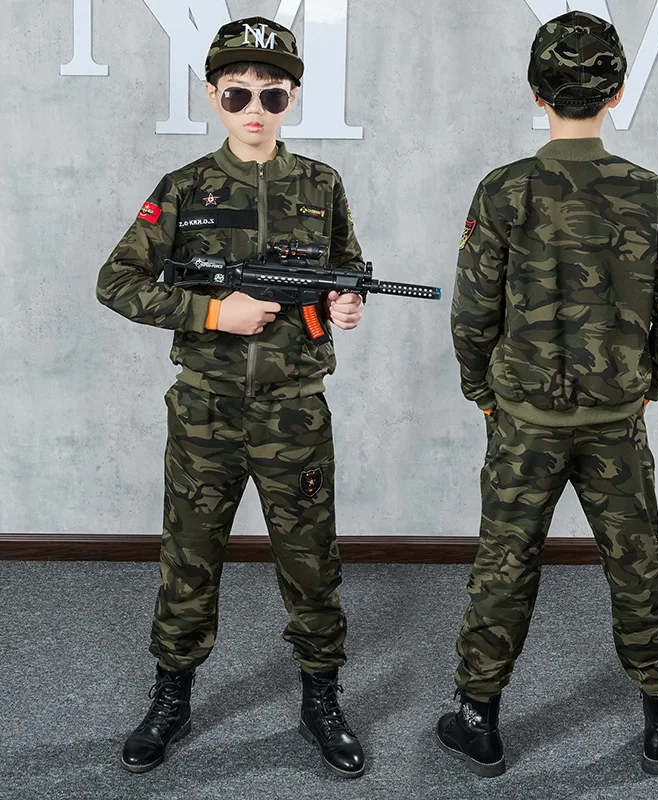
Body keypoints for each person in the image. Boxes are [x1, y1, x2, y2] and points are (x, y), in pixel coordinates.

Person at [96, 17, 366, 779]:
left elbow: (342, 272)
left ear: (292, 99)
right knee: (189, 560)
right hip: (206, 412)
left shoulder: (322, 185)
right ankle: (171, 696)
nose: (255, 106)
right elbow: (116, 282)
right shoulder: (184, 188)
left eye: (272, 93)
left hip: (295, 411)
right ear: (213, 95)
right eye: (238, 91)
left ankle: (321, 697)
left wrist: (344, 308)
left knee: (312, 562)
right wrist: (213, 312)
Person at [437, 11, 658, 778]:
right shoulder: (645, 190)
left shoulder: (504, 189)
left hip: (524, 419)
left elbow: (473, 310)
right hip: (616, 417)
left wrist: (482, 390)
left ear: (534, 92)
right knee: (635, 560)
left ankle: (478, 718)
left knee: (504, 561)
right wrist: (651, 381)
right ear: (615, 91)